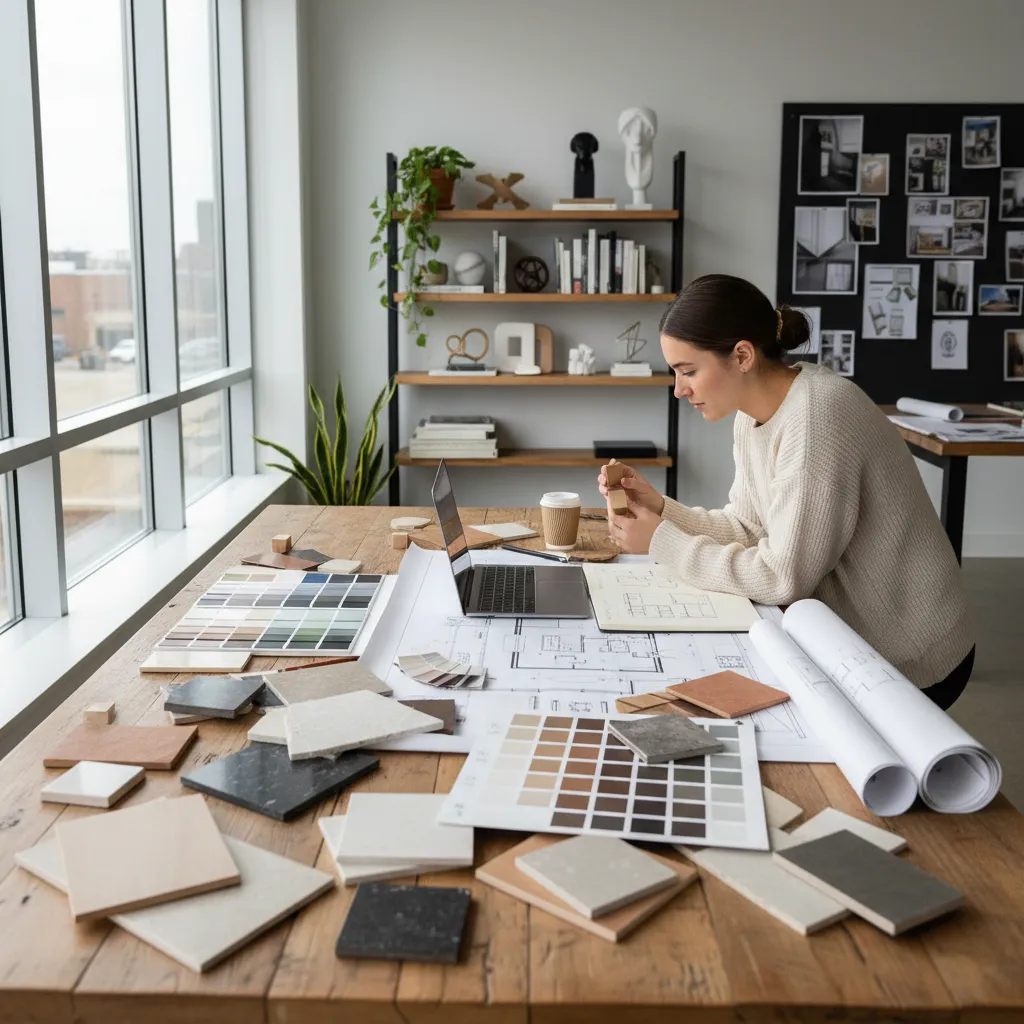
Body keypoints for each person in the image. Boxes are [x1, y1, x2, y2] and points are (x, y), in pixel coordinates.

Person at [598, 274, 975, 709]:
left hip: (908, 656)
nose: (679, 390)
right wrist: (661, 509)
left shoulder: (817, 416)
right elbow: (749, 527)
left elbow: (782, 578)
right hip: (847, 638)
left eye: (689, 371)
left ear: (742, 356)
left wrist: (662, 541)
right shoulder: (752, 414)